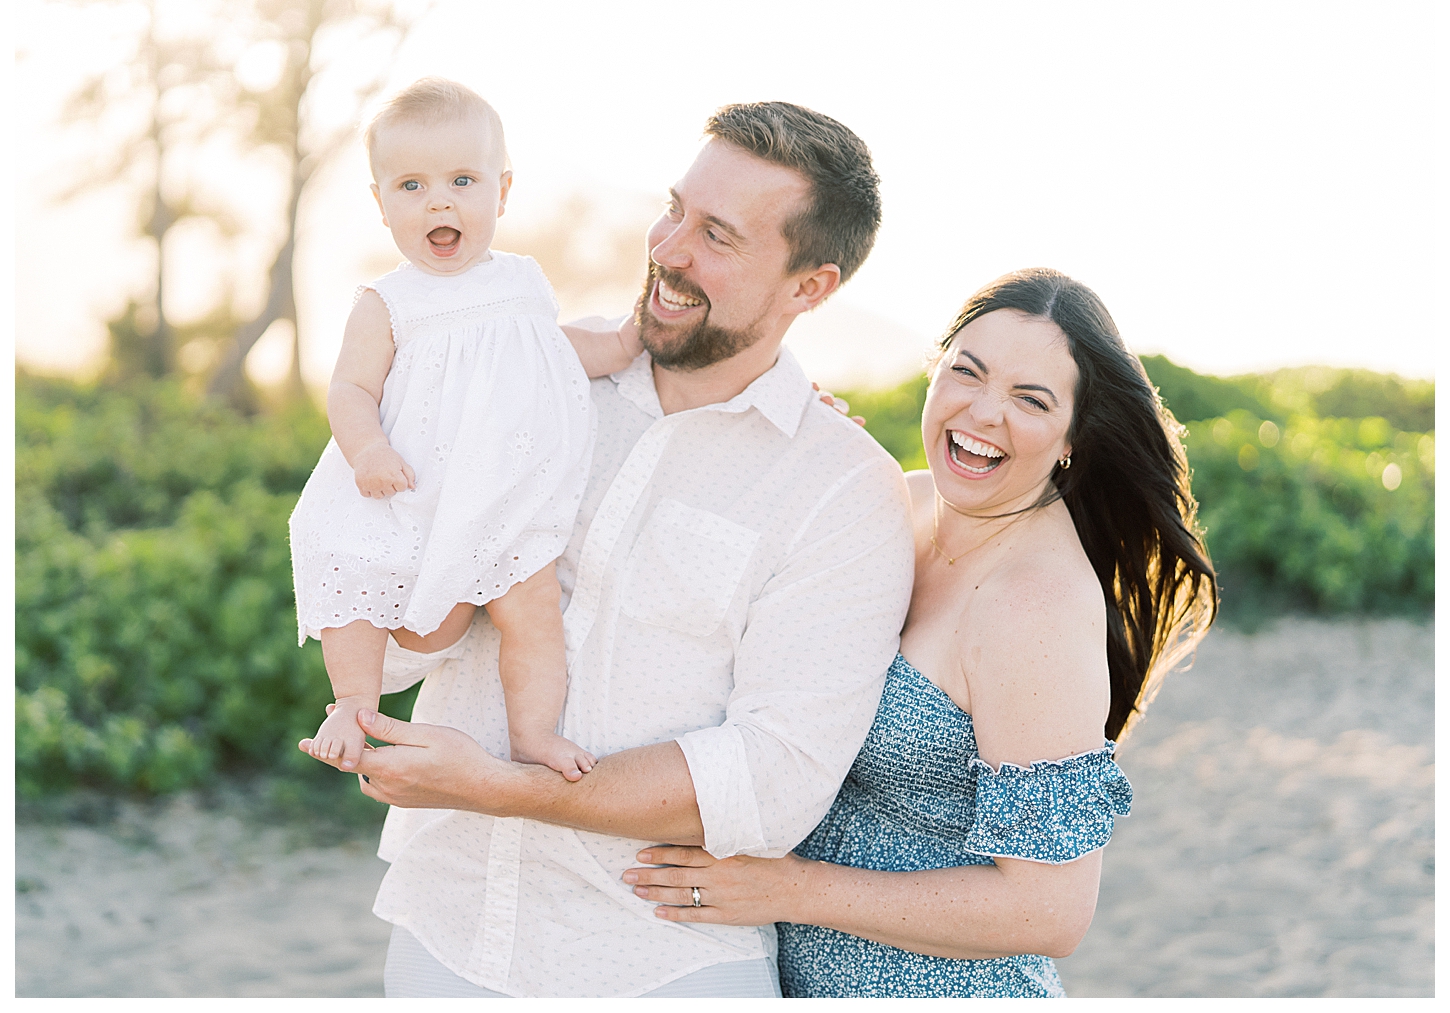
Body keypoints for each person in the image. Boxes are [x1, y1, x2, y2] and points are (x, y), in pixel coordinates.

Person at [298, 101, 917, 998]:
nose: (669, 248)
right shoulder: (525, 363)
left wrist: (510, 787)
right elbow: (389, 608)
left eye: (717, 235)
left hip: (662, 960)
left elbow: (774, 779)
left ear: (809, 288)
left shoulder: (840, 486)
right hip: (448, 929)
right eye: (674, 209)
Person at [621, 268, 1219, 997]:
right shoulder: (886, 503)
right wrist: (790, 442)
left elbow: (1051, 909)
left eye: (1031, 399)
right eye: (966, 372)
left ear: (1072, 439)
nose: (984, 411)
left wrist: (789, 889)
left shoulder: (1035, 603)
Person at [290, 78, 642, 782]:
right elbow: (351, 387)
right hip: (406, 492)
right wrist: (368, 449)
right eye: (413, 185)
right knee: (353, 576)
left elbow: (555, 348)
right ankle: (351, 706)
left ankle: (534, 730)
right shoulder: (387, 300)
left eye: (462, 180)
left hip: (500, 498)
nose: (440, 201)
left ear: (502, 192)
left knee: (533, 611)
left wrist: (629, 343)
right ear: (382, 203)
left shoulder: (521, 280)